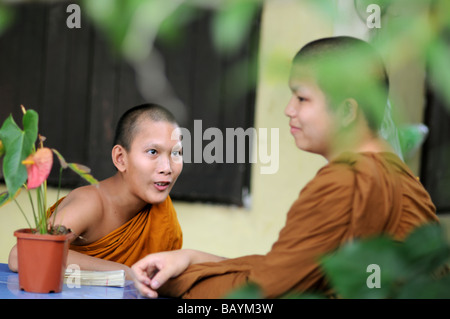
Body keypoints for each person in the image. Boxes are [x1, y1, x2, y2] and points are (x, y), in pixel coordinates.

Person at [131, 36, 439, 298]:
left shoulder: (347, 180)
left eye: (302, 98)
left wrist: (178, 284)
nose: (289, 110)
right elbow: (291, 269)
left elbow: (266, 292)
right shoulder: (403, 178)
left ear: (347, 111)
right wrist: (192, 258)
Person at [8, 103, 184, 279]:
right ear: (120, 158)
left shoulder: (161, 214)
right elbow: (22, 255)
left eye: (176, 153)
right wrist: (126, 272)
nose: (167, 168)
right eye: (153, 152)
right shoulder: (91, 203)